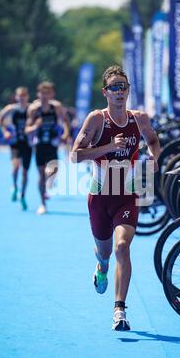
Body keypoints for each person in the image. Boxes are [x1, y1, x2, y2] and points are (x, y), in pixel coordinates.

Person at [71, 65, 161, 331]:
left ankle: (119, 310)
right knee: (106, 251)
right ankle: (101, 265)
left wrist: (156, 158)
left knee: (123, 247)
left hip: (127, 195)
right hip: (100, 196)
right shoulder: (96, 120)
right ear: (105, 92)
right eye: (114, 87)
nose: (119, 92)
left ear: (129, 90)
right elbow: (74, 155)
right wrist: (109, 147)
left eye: (123, 87)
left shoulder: (140, 119)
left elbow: (153, 140)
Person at [25, 82, 69, 215]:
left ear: (52, 94)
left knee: (55, 169)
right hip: (39, 145)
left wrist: (65, 133)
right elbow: (27, 129)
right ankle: (42, 203)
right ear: (38, 94)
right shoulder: (34, 109)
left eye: (47, 93)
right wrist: (35, 127)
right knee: (41, 175)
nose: (44, 96)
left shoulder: (56, 107)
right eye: (42, 93)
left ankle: (49, 182)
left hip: (52, 143)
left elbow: (66, 121)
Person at [0, 87, 32, 210]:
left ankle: (23, 195)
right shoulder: (11, 109)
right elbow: (0, 119)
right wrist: (5, 131)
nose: (22, 98)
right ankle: (14, 186)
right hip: (16, 143)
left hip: (28, 144)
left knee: (25, 172)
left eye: (24, 95)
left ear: (27, 96)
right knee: (16, 167)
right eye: (20, 96)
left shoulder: (32, 109)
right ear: (16, 97)